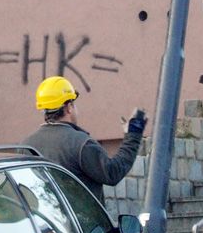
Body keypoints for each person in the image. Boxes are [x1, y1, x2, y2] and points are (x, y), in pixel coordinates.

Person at [22, 75, 146, 206]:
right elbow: (112, 173)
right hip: (83, 224)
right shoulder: (81, 144)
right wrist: (133, 135)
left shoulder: (26, 145)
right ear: (69, 107)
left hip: (46, 224)